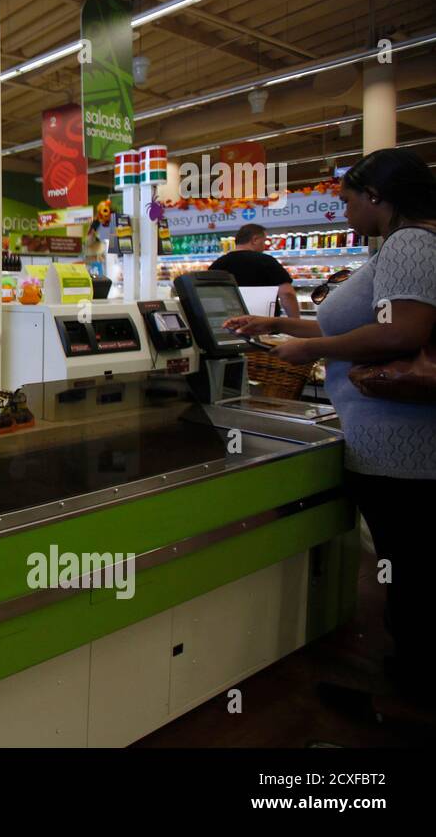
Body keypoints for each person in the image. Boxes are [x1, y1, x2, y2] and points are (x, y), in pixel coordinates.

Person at [224, 148, 436, 708]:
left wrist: (311, 349)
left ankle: (407, 703)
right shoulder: (409, 241)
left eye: (347, 202)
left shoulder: (410, 242)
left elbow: (400, 333)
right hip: (401, 445)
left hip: (401, 449)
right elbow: (359, 320)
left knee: (410, 575)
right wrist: (277, 321)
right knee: (408, 571)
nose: (343, 214)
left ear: (377, 198)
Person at [209, 223, 301, 318]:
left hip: (230, 323)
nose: (264, 246)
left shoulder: (218, 263)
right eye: (264, 241)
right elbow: (287, 293)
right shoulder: (266, 261)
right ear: (255, 240)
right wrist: (296, 322)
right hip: (265, 325)